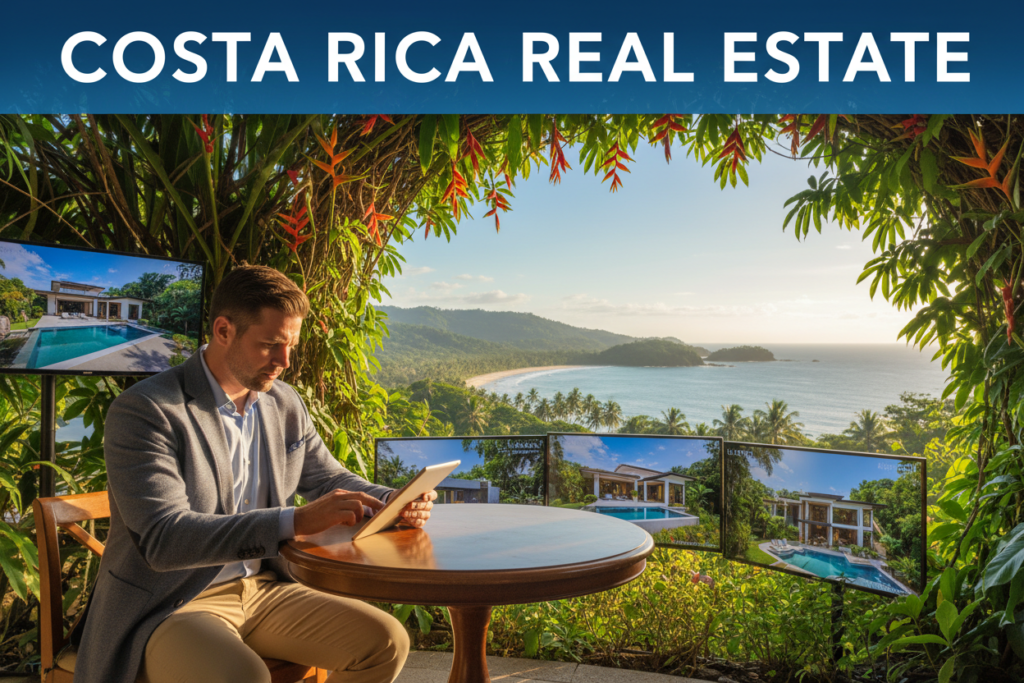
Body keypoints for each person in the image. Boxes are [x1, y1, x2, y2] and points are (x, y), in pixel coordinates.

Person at [70, 265, 436, 683]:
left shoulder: (282, 403)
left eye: (291, 345)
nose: (285, 361)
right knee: (242, 676)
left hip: (265, 588)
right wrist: (294, 521)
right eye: (270, 345)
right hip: (174, 602)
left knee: (385, 641)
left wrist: (391, 500)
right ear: (223, 330)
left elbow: (328, 477)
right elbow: (164, 539)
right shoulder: (148, 411)